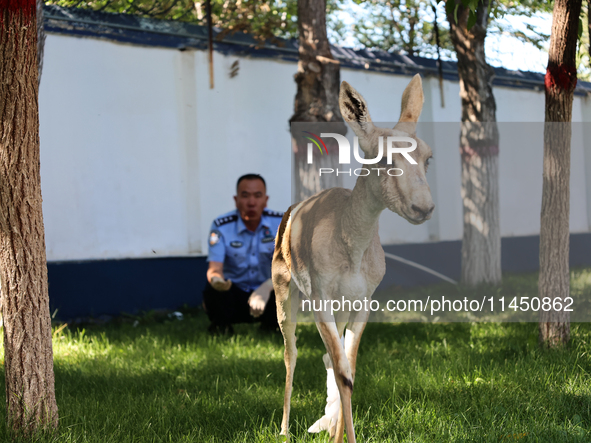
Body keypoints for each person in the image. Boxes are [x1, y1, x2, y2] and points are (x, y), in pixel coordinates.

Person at [202, 173, 283, 334]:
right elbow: (214, 268)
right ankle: (222, 327)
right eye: (245, 196)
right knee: (212, 290)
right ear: (236, 200)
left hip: (269, 294)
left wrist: (266, 288)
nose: (251, 202)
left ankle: (272, 327)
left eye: (257, 196)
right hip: (235, 294)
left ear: (265, 200)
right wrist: (217, 280)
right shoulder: (222, 226)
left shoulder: (281, 223)